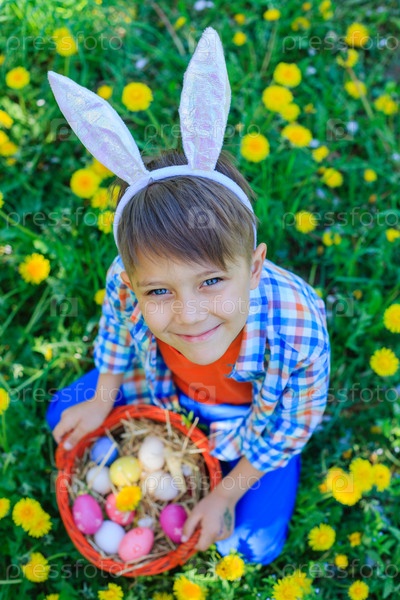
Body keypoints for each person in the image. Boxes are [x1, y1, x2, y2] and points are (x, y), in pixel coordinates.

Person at [46, 28, 330, 565]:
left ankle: (234, 477)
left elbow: (293, 424)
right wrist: (104, 396)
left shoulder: (297, 327)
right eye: (158, 290)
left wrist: (224, 493)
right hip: (166, 389)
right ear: (134, 282)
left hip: (253, 423)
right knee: (63, 412)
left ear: (254, 267)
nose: (190, 314)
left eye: (211, 281)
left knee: (250, 546)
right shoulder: (124, 278)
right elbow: (115, 331)